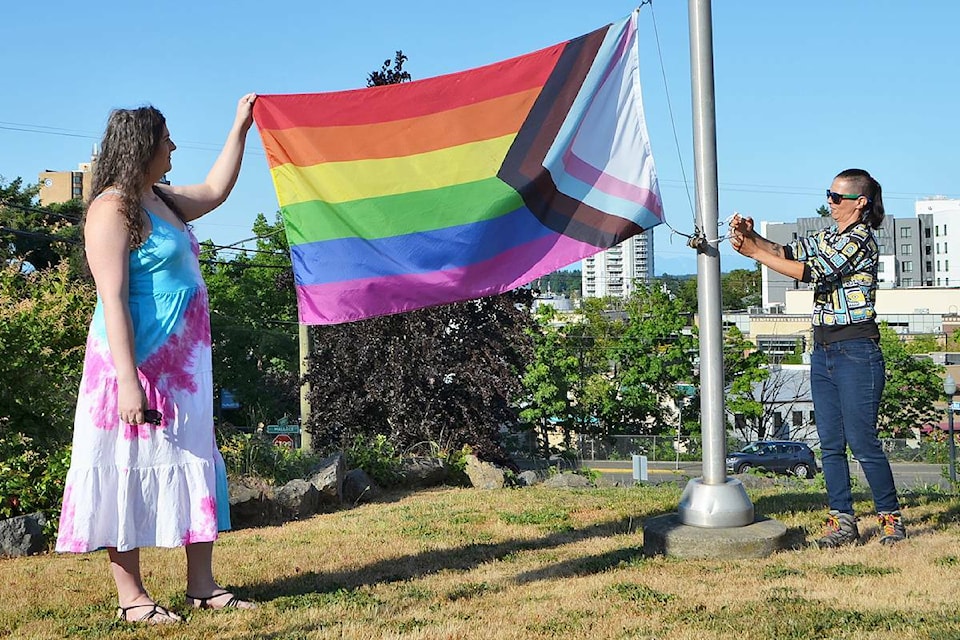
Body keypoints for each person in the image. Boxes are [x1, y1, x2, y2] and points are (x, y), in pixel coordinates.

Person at [55, 95, 260, 623]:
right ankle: (132, 598)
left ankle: (202, 585)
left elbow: (216, 189)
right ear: (143, 146)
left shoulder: (161, 200)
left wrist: (241, 124)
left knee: (193, 458)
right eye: (165, 138)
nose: (172, 145)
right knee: (122, 467)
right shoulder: (110, 209)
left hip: (184, 367)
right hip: (137, 363)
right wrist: (128, 381)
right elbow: (113, 300)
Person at [729, 168, 906, 548]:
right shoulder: (830, 235)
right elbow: (788, 252)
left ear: (860, 203)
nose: (830, 202)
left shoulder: (860, 240)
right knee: (829, 443)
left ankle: (890, 519)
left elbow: (811, 271)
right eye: (829, 194)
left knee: (862, 441)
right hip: (824, 350)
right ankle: (843, 522)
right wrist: (752, 235)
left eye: (837, 197)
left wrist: (754, 252)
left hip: (857, 351)